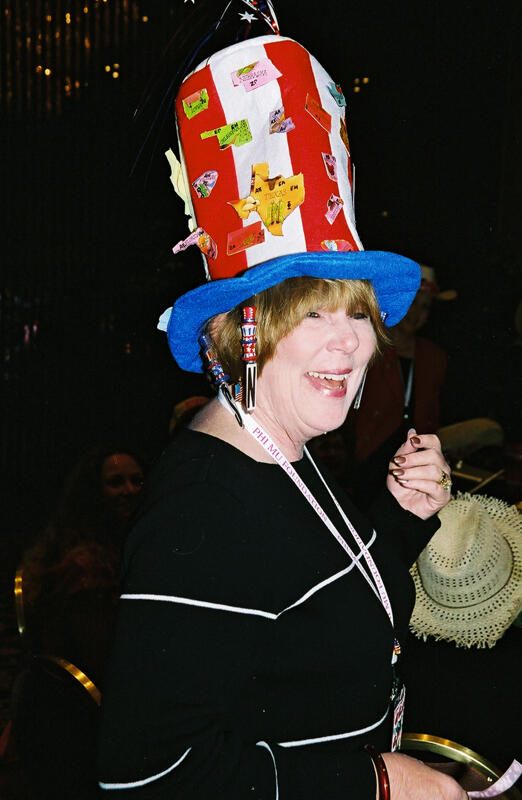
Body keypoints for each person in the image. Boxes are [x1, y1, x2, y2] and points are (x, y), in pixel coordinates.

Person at [98, 6, 463, 799]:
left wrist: (398, 516)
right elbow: (148, 778)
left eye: (359, 313)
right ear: (248, 333)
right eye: (314, 314)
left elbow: (308, 608)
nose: (350, 344)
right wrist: (376, 783)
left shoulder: (282, 447)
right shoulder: (200, 517)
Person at [10, 443, 146, 800]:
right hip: (82, 723)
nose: (129, 490)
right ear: (94, 494)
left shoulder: (121, 549)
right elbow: (103, 663)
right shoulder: (87, 566)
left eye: (136, 480)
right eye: (115, 483)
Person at [344, 264, 455, 509]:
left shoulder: (433, 356)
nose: (416, 314)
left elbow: (433, 411)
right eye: (413, 303)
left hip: (413, 451)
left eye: (425, 307)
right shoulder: (371, 345)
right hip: (370, 451)